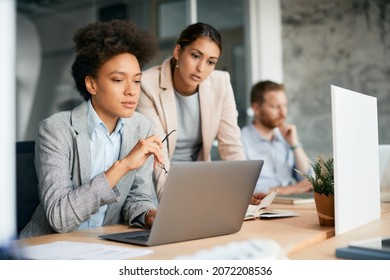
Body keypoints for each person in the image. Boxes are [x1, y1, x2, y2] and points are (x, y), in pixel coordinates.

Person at [20, 20, 164, 238]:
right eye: (118, 80)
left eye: (136, 81)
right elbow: (59, 217)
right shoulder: (56, 129)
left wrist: (149, 215)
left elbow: (136, 199)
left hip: (102, 245)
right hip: (49, 247)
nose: (131, 91)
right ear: (92, 85)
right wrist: (123, 166)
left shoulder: (141, 127)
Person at [136, 22, 265, 204]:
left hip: (199, 183)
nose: (201, 68)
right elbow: (158, 155)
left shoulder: (221, 82)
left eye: (211, 62)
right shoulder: (147, 84)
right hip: (155, 187)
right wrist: (172, 205)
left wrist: (242, 191)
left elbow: (231, 145)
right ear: (177, 52)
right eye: (195, 56)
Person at [241, 80, 313, 195]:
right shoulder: (240, 141)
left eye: (284, 106)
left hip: (291, 204)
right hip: (262, 208)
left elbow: (311, 180)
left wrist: (295, 144)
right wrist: (292, 189)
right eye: (275, 107)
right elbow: (243, 189)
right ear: (256, 109)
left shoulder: (285, 137)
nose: (283, 113)